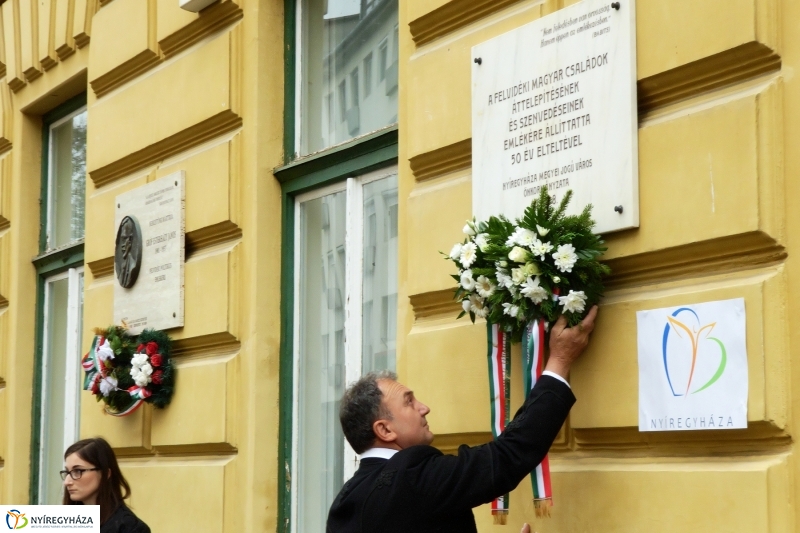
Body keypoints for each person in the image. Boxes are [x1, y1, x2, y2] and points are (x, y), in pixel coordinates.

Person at [327, 307, 598, 532]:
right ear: (384, 429)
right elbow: (507, 457)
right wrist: (560, 361)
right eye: (409, 402)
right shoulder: (410, 475)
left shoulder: (346, 500)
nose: (424, 408)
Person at [62, 438, 150, 533]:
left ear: (105, 473)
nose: (67, 482)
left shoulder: (130, 528)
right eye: (67, 472)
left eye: (78, 471)